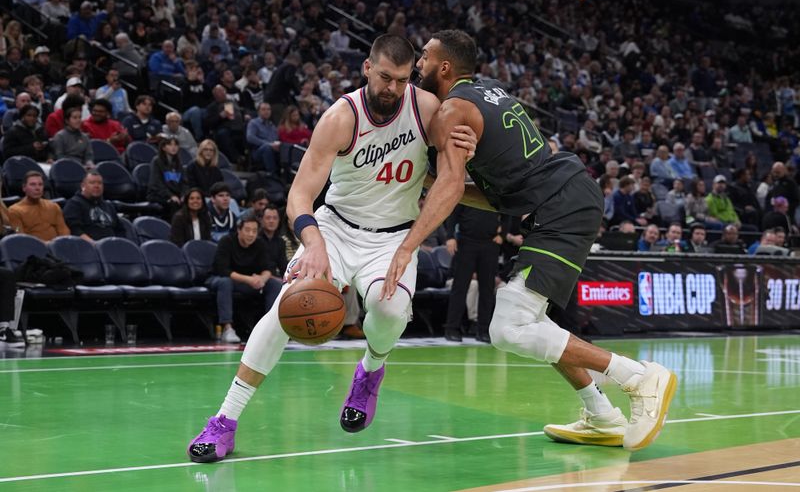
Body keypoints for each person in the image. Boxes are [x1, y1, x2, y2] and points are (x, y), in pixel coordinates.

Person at [382, 30, 677, 452]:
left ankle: (639, 377)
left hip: (561, 205)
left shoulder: (452, 111)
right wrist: (443, 175)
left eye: (424, 58)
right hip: (564, 196)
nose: (417, 66)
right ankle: (600, 414)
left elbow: (449, 190)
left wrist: (408, 244)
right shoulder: (487, 91)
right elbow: (495, 193)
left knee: (507, 327)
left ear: (444, 67)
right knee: (531, 322)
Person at [187, 34, 476, 463]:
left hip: (395, 236)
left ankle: (369, 372)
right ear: (366, 68)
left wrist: (464, 150)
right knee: (285, 308)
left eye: (400, 79)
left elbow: (451, 173)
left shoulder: (428, 109)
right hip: (335, 230)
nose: (391, 88)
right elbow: (299, 196)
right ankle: (225, 420)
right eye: (383, 77)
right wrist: (313, 243)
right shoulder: (341, 117)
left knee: (391, 309)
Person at [206, 211, 283, 344]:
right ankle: (227, 328)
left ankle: (271, 328)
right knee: (225, 282)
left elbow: (268, 269)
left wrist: (261, 279)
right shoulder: (227, 241)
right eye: (247, 230)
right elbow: (223, 270)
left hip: (249, 282)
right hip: (220, 279)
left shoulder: (259, 244)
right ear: (239, 230)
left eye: (254, 231)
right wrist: (249, 279)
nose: (251, 234)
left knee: (274, 284)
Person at [443, 204, 501, 342]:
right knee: (460, 287)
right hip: (466, 241)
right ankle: (452, 328)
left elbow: (509, 213)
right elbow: (453, 214)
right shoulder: (469, 187)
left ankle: (483, 330)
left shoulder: (496, 192)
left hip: (490, 243)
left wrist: (503, 233)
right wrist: (450, 236)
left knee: (487, 289)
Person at [62, 170, 124, 241]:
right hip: (88, 248)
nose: (97, 186)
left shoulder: (108, 206)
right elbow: (74, 230)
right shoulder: (74, 204)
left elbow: (120, 230)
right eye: (92, 183)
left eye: (100, 183)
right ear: (83, 186)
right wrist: (95, 244)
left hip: (112, 247)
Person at [9, 171, 70, 241]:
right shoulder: (14, 211)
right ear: (24, 188)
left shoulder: (53, 206)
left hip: (57, 248)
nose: (37, 188)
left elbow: (64, 231)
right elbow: (19, 234)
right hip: (33, 250)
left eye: (40, 184)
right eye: (33, 184)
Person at [147, 135, 186, 220]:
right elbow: (156, 183)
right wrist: (170, 195)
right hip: (158, 195)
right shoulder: (156, 161)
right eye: (170, 145)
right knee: (174, 203)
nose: (173, 147)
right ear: (164, 148)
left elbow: (184, 182)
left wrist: (183, 194)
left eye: (176, 145)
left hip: (175, 194)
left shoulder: (178, 163)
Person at [246, 102, 280, 174]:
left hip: (273, 148)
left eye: (268, 109)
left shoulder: (271, 125)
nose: (266, 112)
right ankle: (272, 173)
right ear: (258, 112)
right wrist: (269, 144)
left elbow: (276, 138)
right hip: (258, 150)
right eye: (263, 109)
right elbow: (250, 137)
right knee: (267, 147)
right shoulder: (253, 123)